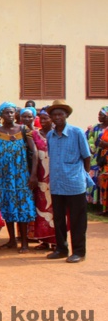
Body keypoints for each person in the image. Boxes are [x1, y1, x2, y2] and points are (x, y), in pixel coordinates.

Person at [46, 100, 92, 263]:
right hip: (57, 184)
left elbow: (86, 157)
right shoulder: (50, 135)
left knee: (77, 219)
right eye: (54, 115)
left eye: (60, 114)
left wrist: (83, 175)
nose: (57, 117)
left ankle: (79, 252)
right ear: (50, 117)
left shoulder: (77, 132)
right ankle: (61, 249)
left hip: (74, 184)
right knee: (58, 218)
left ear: (66, 115)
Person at [0, 102, 38, 254]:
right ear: (1, 115)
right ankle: (12, 240)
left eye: (12, 112)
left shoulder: (24, 130)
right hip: (4, 177)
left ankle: (24, 242)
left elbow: (35, 153)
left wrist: (33, 175)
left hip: (21, 176)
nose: (10, 115)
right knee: (8, 207)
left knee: (22, 208)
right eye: (7, 113)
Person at [31, 107, 56, 249]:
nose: (43, 120)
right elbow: (34, 156)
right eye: (41, 118)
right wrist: (33, 174)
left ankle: (56, 240)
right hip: (40, 176)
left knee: (55, 208)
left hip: (55, 176)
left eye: (46, 118)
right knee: (41, 207)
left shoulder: (56, 134)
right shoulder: (35, 134)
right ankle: (44, 240)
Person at [85, 106, 108, 207]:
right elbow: (85, 137)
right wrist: (90, 147)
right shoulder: (95, 127)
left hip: (106, 157)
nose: (99, 117)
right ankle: (94, 201)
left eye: (101, 115)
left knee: (104, 179)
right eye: (98, 115)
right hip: (96, 156)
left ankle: (103, 203)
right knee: (93, 177)